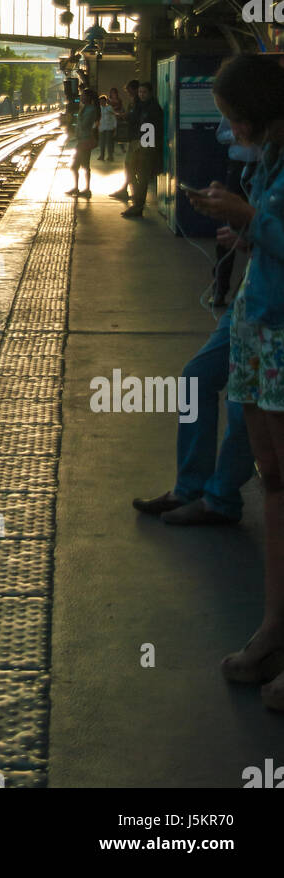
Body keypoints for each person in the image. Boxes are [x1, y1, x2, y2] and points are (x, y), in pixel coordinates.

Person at [188, 55, 284, 708]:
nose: (227, 130)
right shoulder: (270, 159)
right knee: (274, 483)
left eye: (229, 118)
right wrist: (244, 227)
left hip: (282, 339)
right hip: (261, 332)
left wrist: (248, 218)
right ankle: (276, 625)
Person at [132, 305, 255, 526]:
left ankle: (221, 500)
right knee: (195, 378)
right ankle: (190, 488)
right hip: (249, 296)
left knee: (243, 403)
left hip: (273, 307)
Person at [212, 115, 260, 308]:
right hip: (237, 166)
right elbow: (220, 135)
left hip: (259, 166)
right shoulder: (233, 109)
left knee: (257, 222)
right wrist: (237, 134)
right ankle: (220, 288)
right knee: (228, 225)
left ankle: (246, 291)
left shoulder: (266, 109)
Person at [121, 81, 163, 219]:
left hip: (146, 145)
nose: (141, 94)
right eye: (140, 92)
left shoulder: (153, 108)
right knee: (131, 170)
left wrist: (143, 144)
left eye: (144, 92)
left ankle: (138, 205)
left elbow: (152, 128)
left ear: (150, 93)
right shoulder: (139, 106)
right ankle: (137, 202)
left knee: (142, 175)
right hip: (136, 142)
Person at [66, 88, 97, 199]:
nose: (81, 98)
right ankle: (78, 188)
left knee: (83, 166)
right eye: (81, 96)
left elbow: (84, 124)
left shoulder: (91, 109)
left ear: (88, 97)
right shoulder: (84, 108)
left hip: (86, 140)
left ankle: (86, 189)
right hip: (81, 140)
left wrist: (80, 114)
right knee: (77, 166)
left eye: (83, 96)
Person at [97, 94, 116, 162]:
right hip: (101, 127)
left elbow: (113, 117)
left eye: (103, 101)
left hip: (109, 127)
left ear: (105, 101)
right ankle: (102, 155)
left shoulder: (109, 108)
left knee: (109, 143)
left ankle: (110, 156)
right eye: (101, 101)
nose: (102, 103)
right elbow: (97, 118)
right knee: (101, 143)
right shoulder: (99, 109)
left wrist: (115, 127)